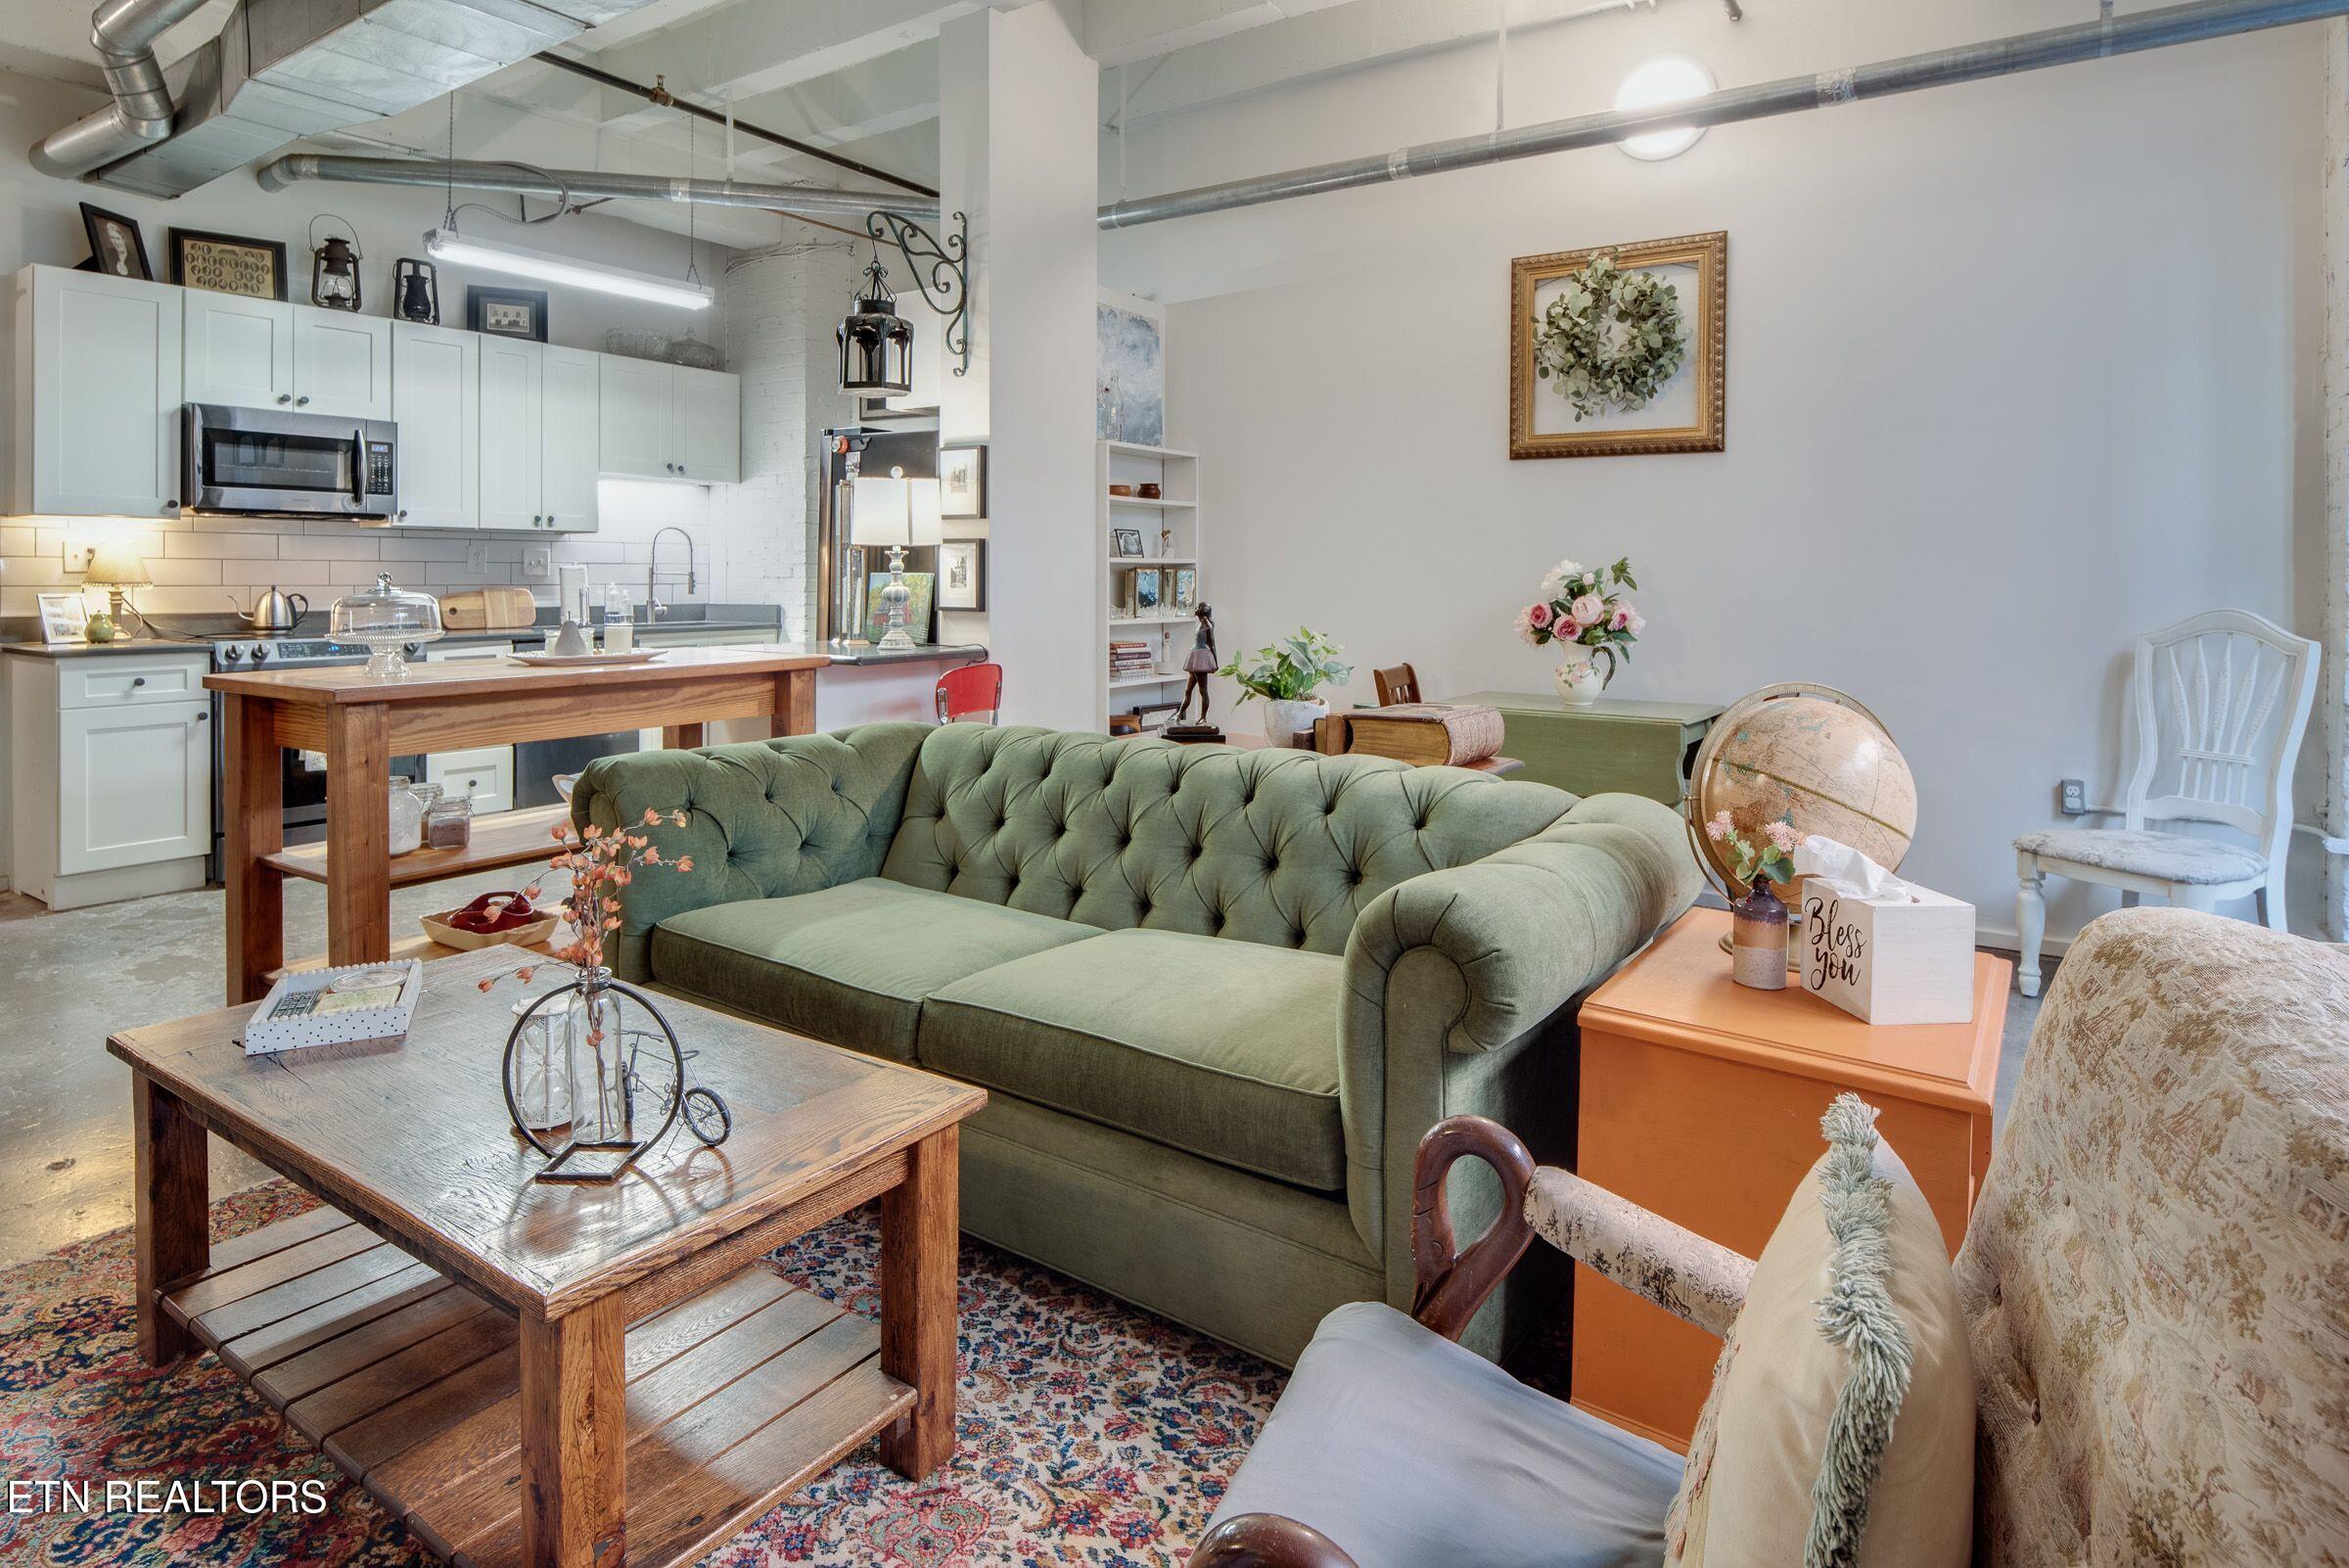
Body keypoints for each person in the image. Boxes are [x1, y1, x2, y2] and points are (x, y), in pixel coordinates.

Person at [1175, 602, 1218, 723]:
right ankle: (1179, 714)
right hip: (1195, 655)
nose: (1196, 608)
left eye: (1199, 607)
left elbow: (1212, 644)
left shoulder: (1207, 625)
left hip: (1201, 657)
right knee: (1188, 690)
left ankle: (1203, 717)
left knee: (1203, 690)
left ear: (1204, 610)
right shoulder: (1201, 623)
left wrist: (1215, 661)